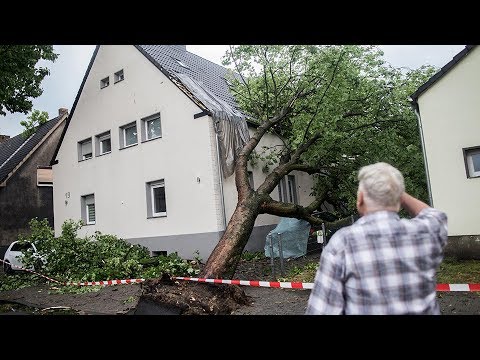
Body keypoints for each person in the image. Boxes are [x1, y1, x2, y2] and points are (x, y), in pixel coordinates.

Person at [305, 162, 448, 315]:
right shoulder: (424, 233)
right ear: (399, 200)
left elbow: (321, 311)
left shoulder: (343, 243)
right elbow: (435, 215)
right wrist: (396, 192)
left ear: (360, 199)